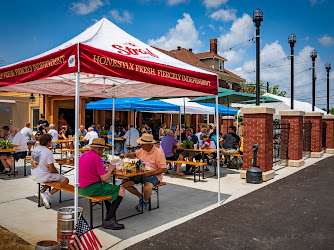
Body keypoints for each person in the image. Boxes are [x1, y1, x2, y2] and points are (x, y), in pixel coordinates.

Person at [78, 138, 125, 230]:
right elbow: (103, 178)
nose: (102, 151)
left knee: (106, 186)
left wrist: (102, 167)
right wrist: (111, 168)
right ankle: (109, 220)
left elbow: (90, 169)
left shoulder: (84, 155)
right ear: (99, 148)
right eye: (102, 149)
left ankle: (109, 213)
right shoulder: (97, 158)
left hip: (81, 187)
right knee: (121, 190)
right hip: (91, 189)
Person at [120, 133, 167, 212]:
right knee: (124, 184)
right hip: (141, 173)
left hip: (153, 175)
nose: (140, 145)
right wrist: (126, 155)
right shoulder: (142, 150)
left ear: (149, 144)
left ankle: (145, 201)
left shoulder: (158, 153)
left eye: (142, 144)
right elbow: (135, 154)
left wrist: (150, 174)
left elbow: (164, 169)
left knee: (147, 187)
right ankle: (141, 197)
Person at [31, 134, 69, 209]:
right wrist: (58, 174)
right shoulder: (47, 151)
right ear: (48, 142)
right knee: (65, 180)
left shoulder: (35, 149)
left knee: (53, 177)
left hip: (34, 174)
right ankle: (48, 195)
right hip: (43, 176)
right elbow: (52, 168)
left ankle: (41, 191)